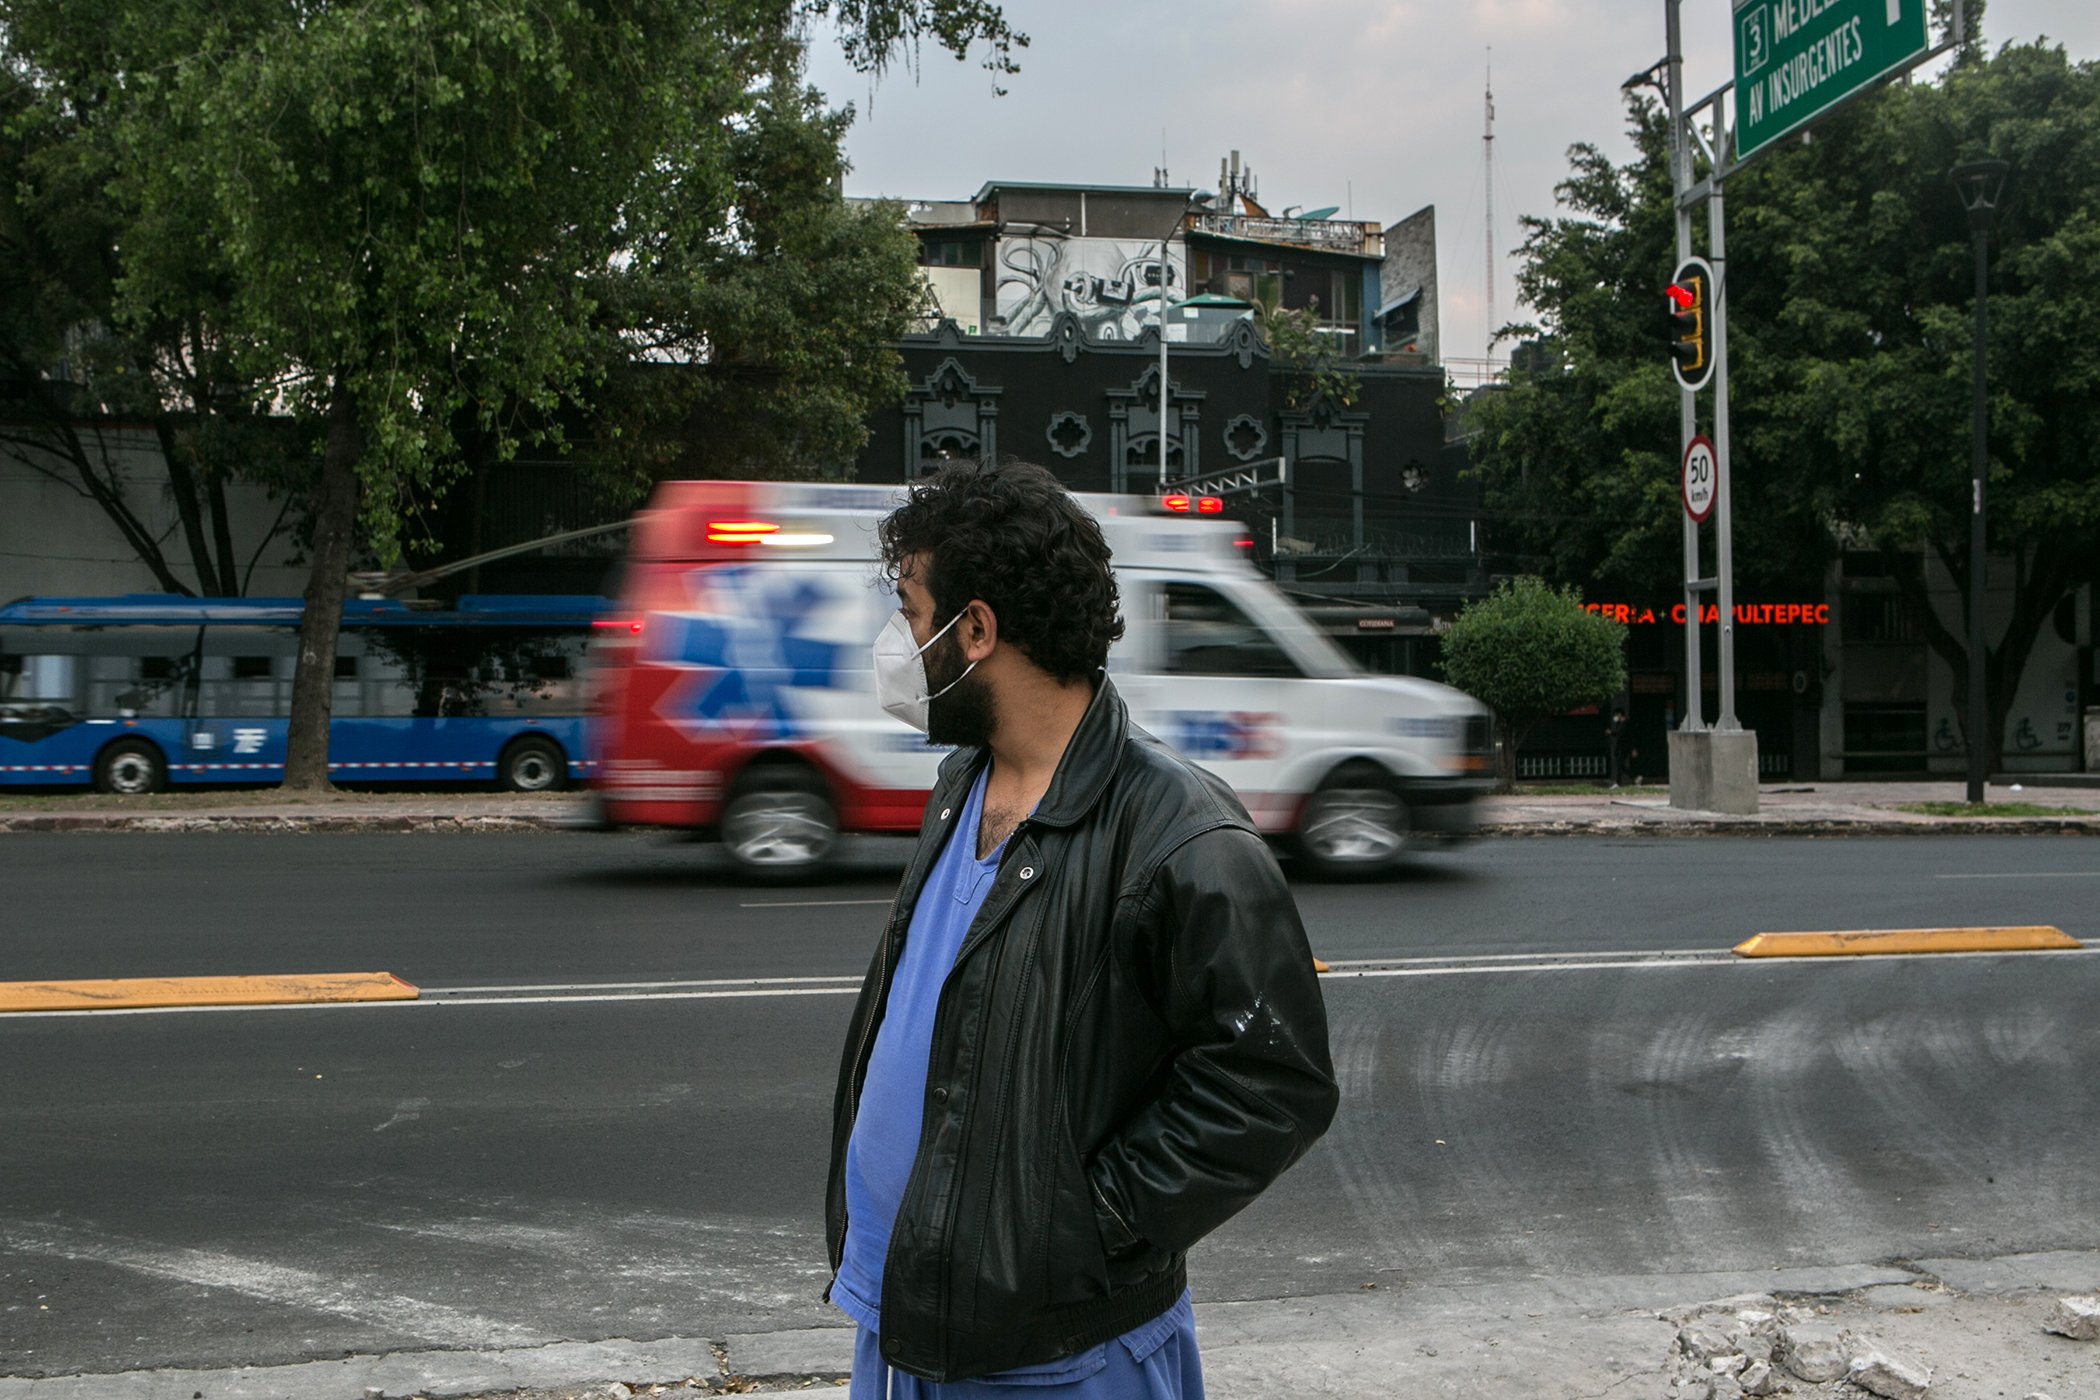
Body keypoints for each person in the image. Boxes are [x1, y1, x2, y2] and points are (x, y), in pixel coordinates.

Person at [825, 459, 1339, 1397]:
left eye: (910, 611)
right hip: (906, 1326)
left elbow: (1272, 1085)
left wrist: (1074, 1226)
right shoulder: (961, 786)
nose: (897, 645)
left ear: (975, 629)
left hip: (1060, 1358)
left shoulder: (1180, 834)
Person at [1606, 706, 1629, 788]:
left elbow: (1620, 734)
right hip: (1620, 747)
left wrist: (1611, 733)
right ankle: (1635, 776)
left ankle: (1618, 783)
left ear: (1620, 715)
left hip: (1625, 747)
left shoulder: (1626, 723)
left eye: (1616, 715)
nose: (1615, 717)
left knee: (1620, 765)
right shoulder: (1619, 724)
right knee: (1621, 765)